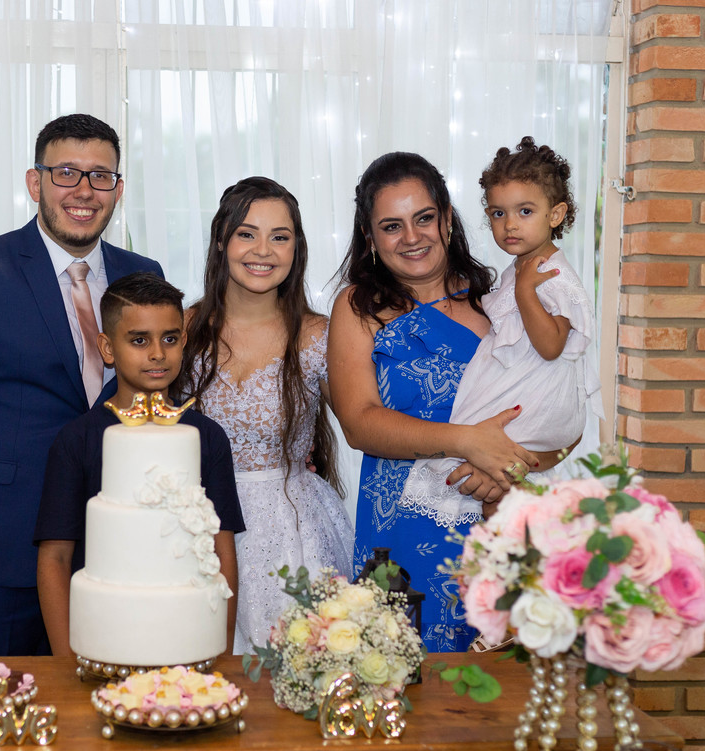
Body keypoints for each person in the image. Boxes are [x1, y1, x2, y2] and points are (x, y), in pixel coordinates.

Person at [0, 114, 163, 657]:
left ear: (118, 190)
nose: (84, 190)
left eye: (100, 176)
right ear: (34, 181)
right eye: (66, 172)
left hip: (115, 553)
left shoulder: (143, 274)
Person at [327, 151, 561, 652]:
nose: (411, 237)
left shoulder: (499, 302)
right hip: (397, 528)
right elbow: (359, 423)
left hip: (491, 516)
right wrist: (467, 442)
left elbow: (556, 409)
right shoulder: (359, 308)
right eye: (391, 226)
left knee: (491, 681)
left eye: (424, 218)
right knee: (396, 672)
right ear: (370, 237)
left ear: (447, 219)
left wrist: (508, 468)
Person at [173, 177, 353, 655]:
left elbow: (365, 424)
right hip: (195, 528)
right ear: (221, 241)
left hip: (293, 531)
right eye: (247, 234)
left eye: (280, 236)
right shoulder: (183, 329)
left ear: (297, 247)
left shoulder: (319, 336)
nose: (263, 251)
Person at [34, 271, 244, 656]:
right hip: (101, 638)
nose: (157, 354)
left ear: (184, 341)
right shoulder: (76, 440)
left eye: (170, 338)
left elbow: (222, 551)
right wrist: (66, 661)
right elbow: (55, 558)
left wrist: (222, 649)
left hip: (188, 637)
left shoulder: (207, 437)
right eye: (139, 340)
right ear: (107, 348)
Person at [399, 137, 601, 526]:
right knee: (496, 498)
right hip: (522, 388)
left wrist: (525, 293)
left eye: (525, 211)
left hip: (538, 395)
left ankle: (497, 554)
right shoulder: (524, 266)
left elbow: (550, 345)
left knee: (501, 501)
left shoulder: (551, 274)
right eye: (497, 213)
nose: (509, 224)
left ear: (556, 214)